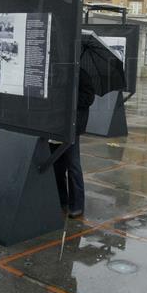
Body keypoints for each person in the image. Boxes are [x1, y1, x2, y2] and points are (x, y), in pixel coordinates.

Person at [54, 69, 95, 218]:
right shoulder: (56, 71)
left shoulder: (81, 73)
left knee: (73, 165)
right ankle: (61, 199)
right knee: (56, 166)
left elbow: (89, 98)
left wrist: (69, 100)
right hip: (55, 124)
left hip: (72, 125)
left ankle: (77, 205)